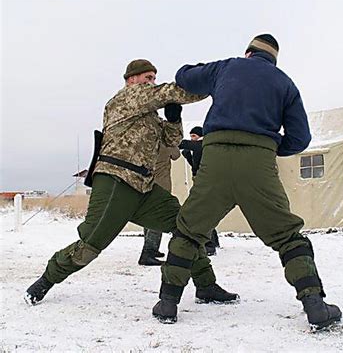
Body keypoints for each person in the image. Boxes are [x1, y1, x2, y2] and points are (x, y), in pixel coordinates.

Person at [152, 35, 342, 330]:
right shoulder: (285, 84)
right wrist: (270, 145)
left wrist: (203, 69)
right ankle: (315, 305)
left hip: (215, 159)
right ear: (274, 60)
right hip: (259, 164)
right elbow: (300, 138)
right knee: (288, 236)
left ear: (248, 52)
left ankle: (167, 303)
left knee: (189, 230)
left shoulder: (227, 68)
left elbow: (184, 76)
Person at [24, 59, 237, 307]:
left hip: (144, 186)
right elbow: (172, 91)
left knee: (185, 228)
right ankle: (45, 281)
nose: (151, 82)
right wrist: (214, 81)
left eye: (153, 78)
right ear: (131, 79)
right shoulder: (126, 98)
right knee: (91, 245)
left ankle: (206, 285)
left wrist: (174, 119)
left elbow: (171, 140)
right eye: (147, 78)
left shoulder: (149, 115)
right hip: (116, 180)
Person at [179, 126, 220, 256]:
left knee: (204, 210)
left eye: (194, 136)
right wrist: (188, 157)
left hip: (205, 181)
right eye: (191, 136)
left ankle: (210, 245)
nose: (192, 139)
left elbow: (182, 143)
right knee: (207, 209)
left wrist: (172, 137)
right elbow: (195, 165)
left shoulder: (202, 144)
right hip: (202, 179)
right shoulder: (203, 146)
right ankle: (214, 240)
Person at [138, 145, 181, 266]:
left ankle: (152, 249)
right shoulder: (166, 143)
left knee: (148, 217)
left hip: (146, 185)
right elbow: (176, 155)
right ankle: (148, 253)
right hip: (161, 186)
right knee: (158, 218)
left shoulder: (147, 141)